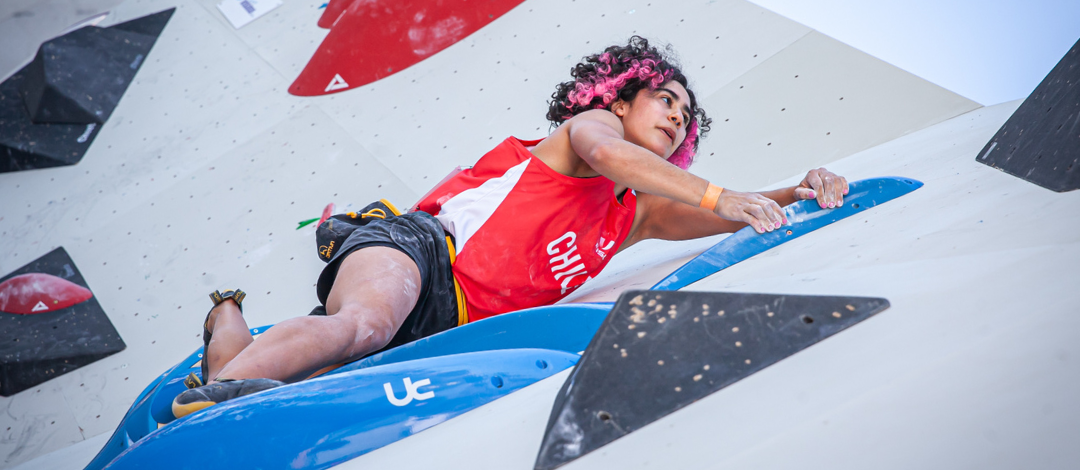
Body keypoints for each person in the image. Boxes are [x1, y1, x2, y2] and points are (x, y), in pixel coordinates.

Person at [171, 36, 848, 417]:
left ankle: (224, 315)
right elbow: (617, 158)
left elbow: (733, 209)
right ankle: (220, 401)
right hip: (420, 253)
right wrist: (723, 194)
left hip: (445, 327)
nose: (676, 116)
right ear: (619, 96)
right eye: (664, 98)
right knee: (363, 328)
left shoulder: (633, 214)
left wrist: (804, 187)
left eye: (685, 117)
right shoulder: (593, 131)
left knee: (262, 361)